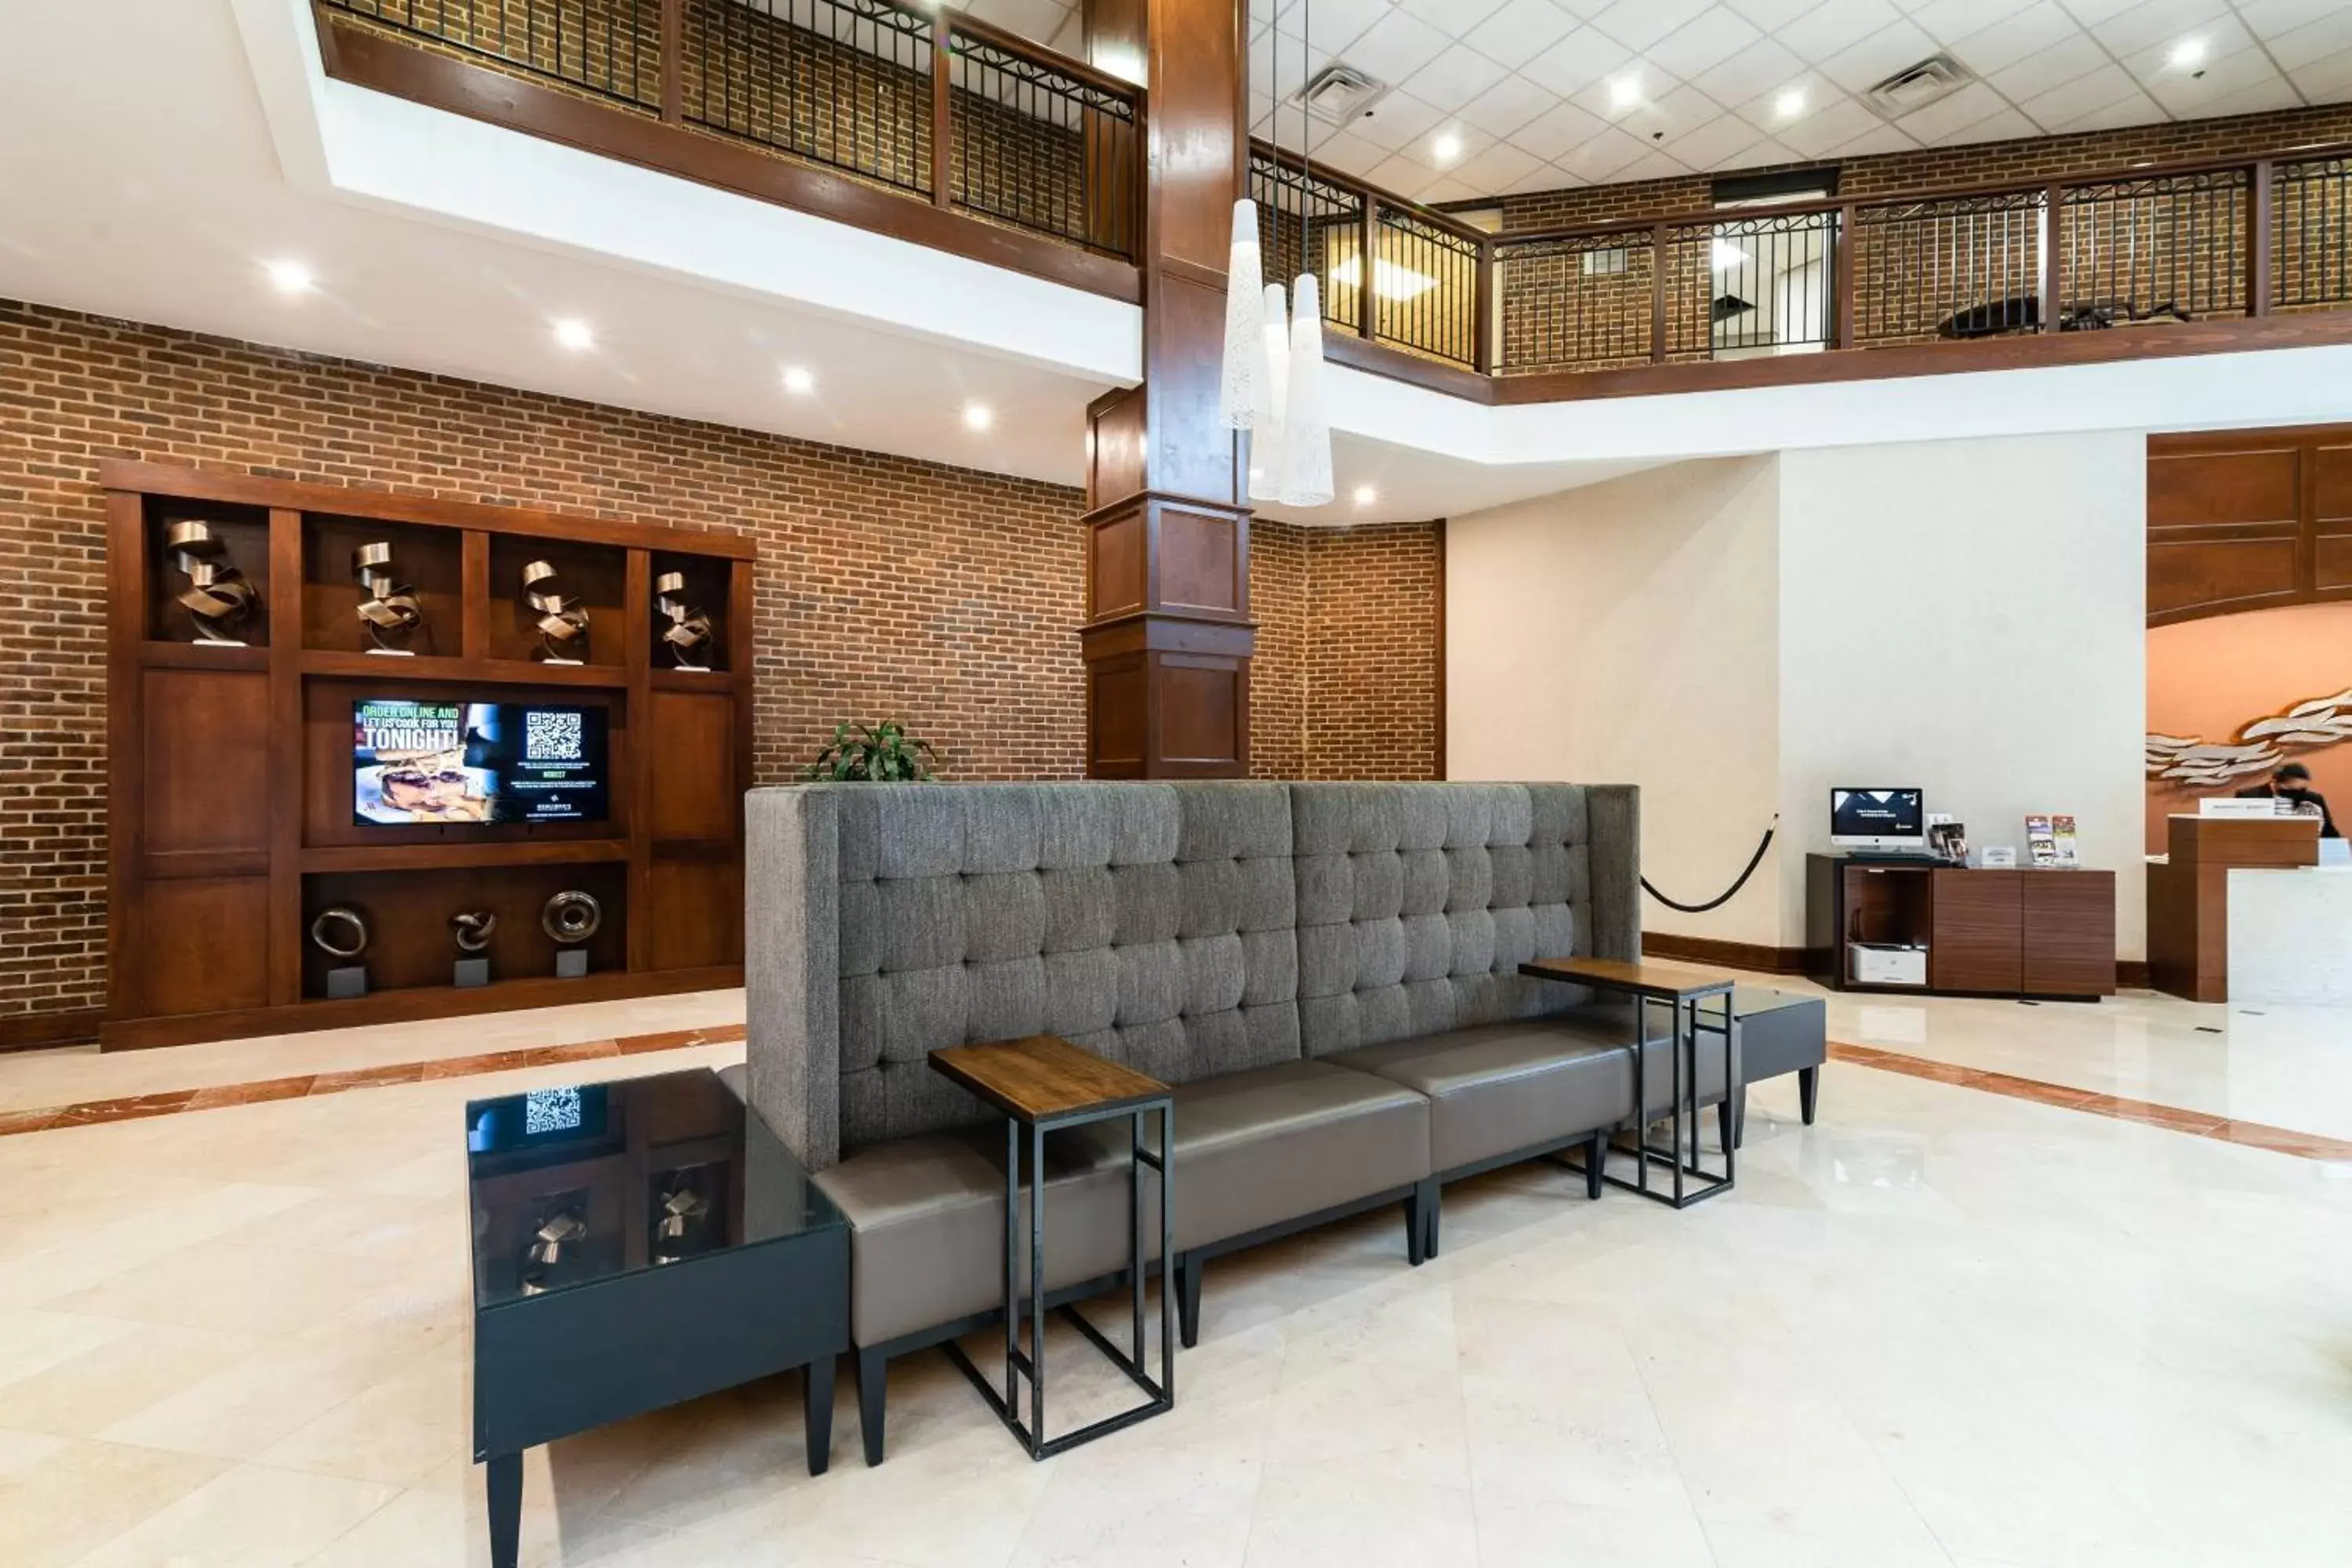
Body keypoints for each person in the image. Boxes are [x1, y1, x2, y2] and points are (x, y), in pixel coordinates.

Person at [2236, 761, 2341, 839]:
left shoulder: (2314, 799)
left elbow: (2329, 832)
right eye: (2291, 789)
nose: (2297, 793)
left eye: (2302, 789)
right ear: (2274, 782)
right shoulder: (2248, 796)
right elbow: (2238, 831)